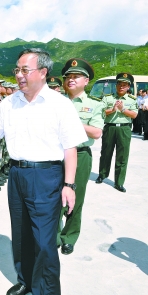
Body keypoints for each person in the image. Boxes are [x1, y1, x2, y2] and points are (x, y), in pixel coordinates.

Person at [0, 48, 87, 295]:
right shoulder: (10, 102)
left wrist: (69, 185)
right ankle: (25, 280)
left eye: (25, 70)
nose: (19, 75)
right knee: (22, 233)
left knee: (45, 242)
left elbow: (71, 148)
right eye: (17, 70)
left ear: (43, 72)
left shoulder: (60, 104)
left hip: (47, 176)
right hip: (17, 175)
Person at [57, 58, 104, 255]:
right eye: (68, 77)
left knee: (75, 197)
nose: (71, 80)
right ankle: (55, 235)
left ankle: (69, 236)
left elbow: (96, 132)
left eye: (76, 76)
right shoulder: (55, 102)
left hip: (80, 155)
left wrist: (73, 122)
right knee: (54, 197)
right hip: (55, 155)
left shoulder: (94, 105)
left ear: (86, 81)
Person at [95, 73, 138, 192]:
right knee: (106, 153)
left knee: (122, 156)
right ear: (116, 85)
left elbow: (134, 114)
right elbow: (101, 112)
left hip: (124, 129)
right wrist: (113, 109)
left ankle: (119, 182)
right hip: (110, 127)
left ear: (128, 87)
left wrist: (123, 109)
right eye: (119, 84)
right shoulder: (108, 98)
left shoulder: (132, 99)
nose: (121, 87)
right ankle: (102, 175)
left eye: (124, 85)